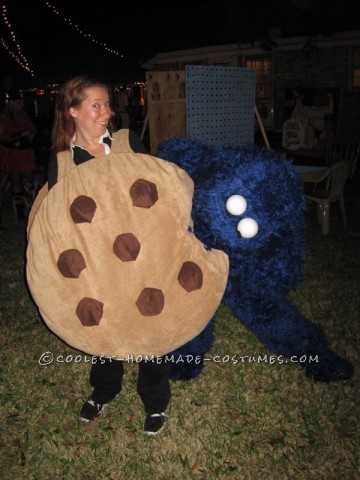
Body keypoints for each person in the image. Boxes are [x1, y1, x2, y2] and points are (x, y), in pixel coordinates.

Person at [47, 75, 171, 436]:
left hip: (141, 250)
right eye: (96, 105)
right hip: (98, 260)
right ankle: (104, 390)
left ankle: (155, 400)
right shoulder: (62, 163)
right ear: (73, 111)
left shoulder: (127, 141)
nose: (106, 112)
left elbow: (157, 188)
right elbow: (60, 220)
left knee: (150, 320)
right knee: (106, 324)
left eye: (107, 104)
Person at [0, 91, 37, 214]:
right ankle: (20, 211)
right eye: (19, 102)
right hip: (12, 152)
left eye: (22, 102)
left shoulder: (24, 114)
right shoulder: (3, 116)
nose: (22, 104)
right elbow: (3, 136)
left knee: (28, 180)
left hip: (25, 152)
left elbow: (32, 129)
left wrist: (30, 134)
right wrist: (19, 135)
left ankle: (30, 208)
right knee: (15, 182)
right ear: (11, 103)